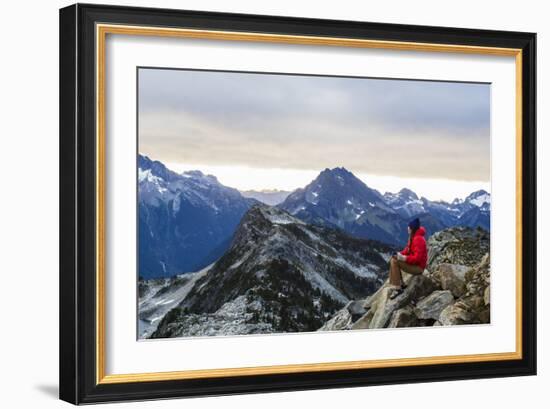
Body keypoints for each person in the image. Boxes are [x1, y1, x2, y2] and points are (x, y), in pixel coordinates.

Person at [388, 217, 428, 299]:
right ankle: (400, 284)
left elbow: (417, 258)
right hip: (416, 265)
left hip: (419, 268)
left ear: (412, 229)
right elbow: (408, 249)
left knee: (395, 261)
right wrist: (399, 254)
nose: (407, 228)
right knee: (394, 259)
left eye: (409, 227)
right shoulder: (413, 237)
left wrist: (403, 258)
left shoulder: (418, 239)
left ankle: (398, 288)